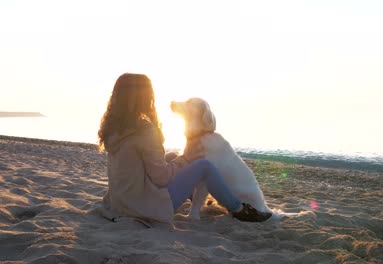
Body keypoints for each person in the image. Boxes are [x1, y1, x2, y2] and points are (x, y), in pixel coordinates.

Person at [98, 73, 272, 224]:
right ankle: (239, 209)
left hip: (120, 201)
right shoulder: (144, 131)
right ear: (145, 98)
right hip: (144, 207)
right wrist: (187, 158)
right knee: (204, 166)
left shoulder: (115, 129)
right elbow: (161, 178)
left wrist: (180, 159)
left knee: (171, 156)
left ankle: (200, 195)